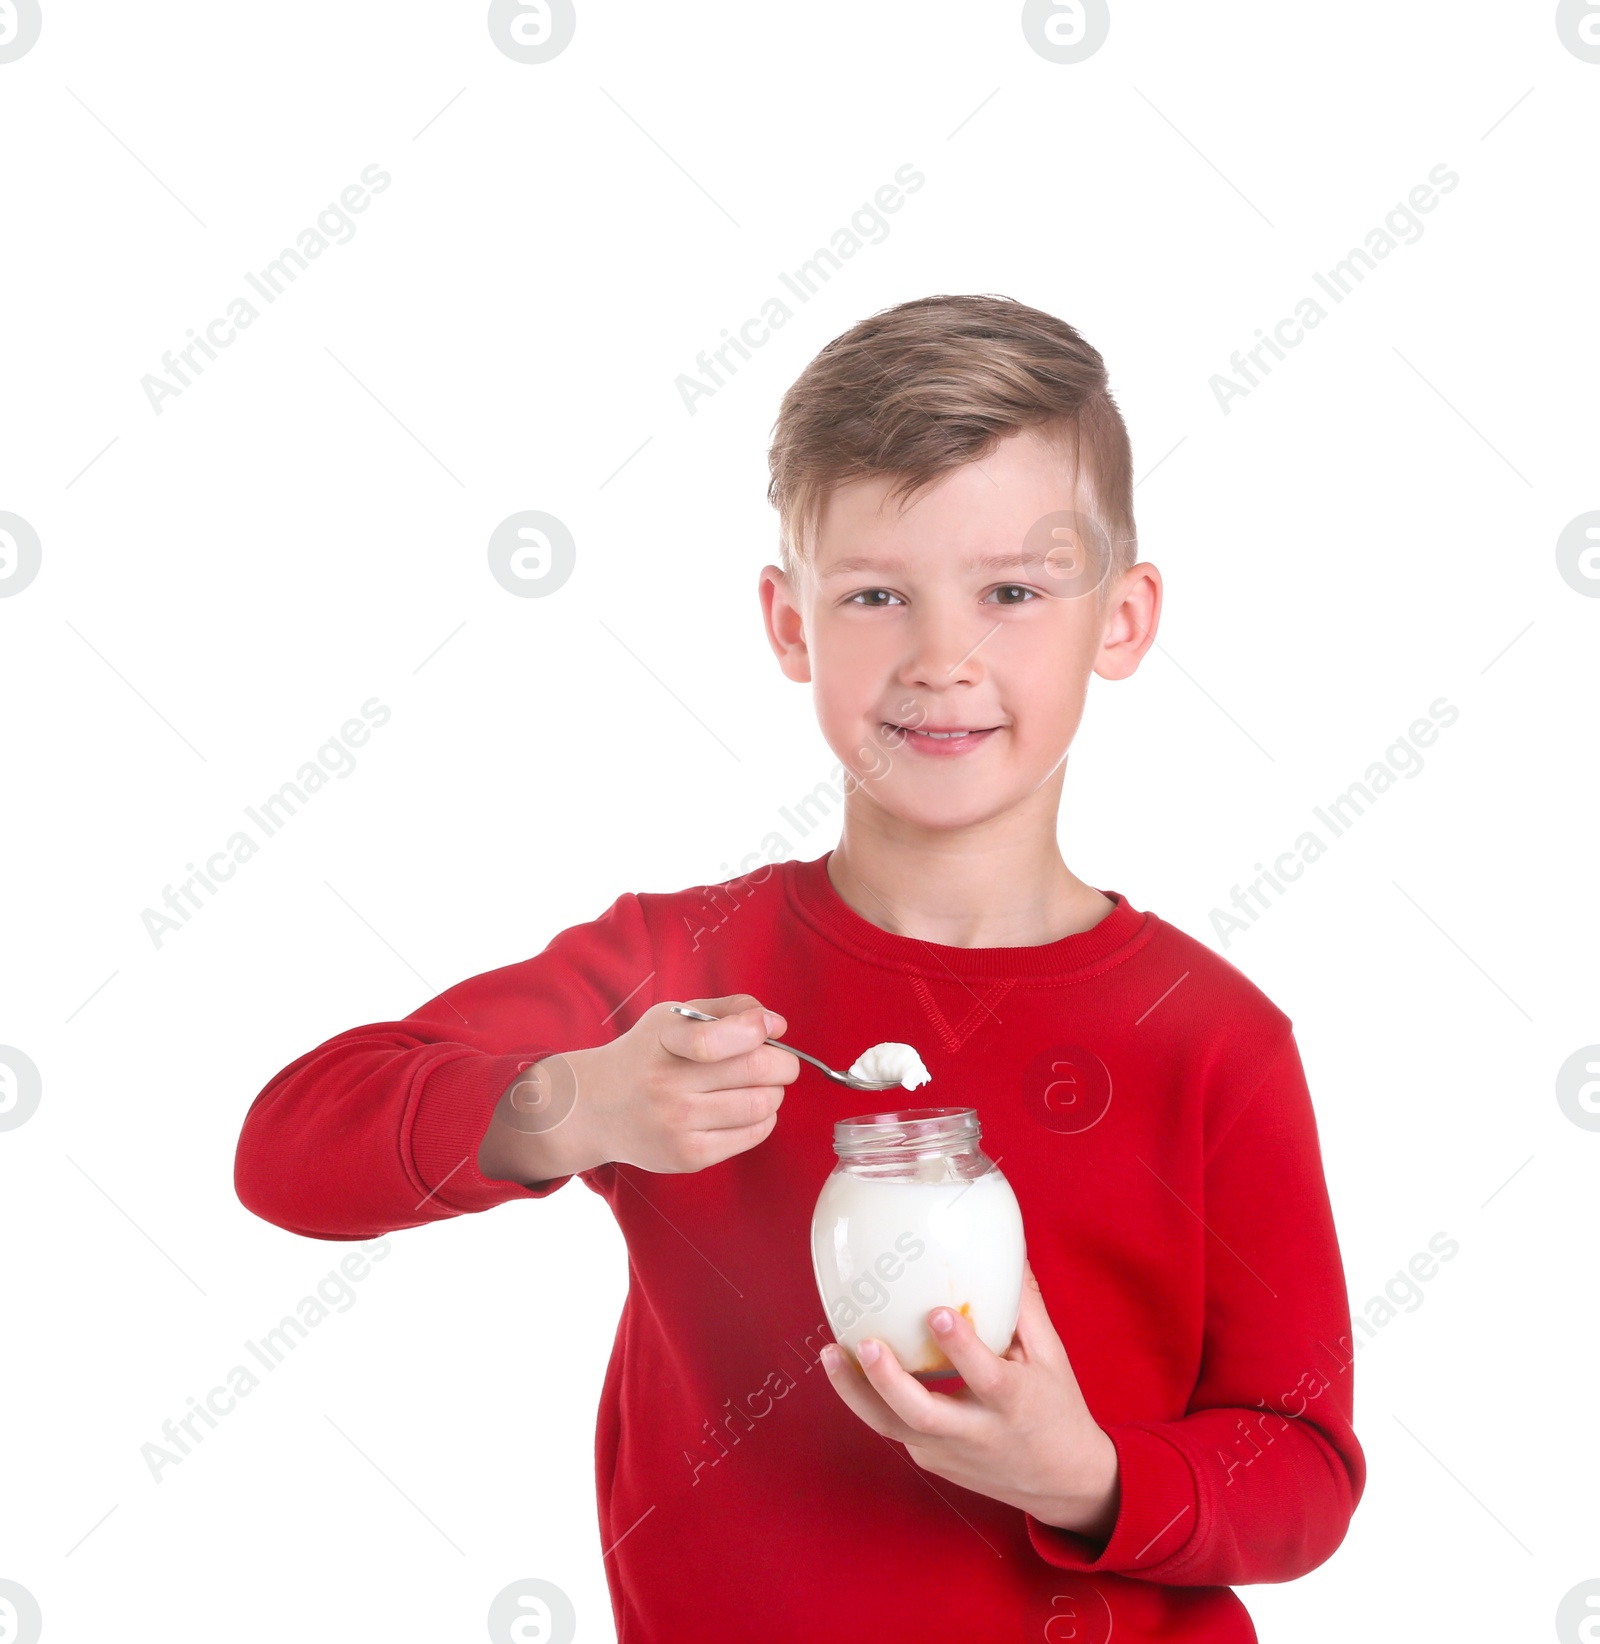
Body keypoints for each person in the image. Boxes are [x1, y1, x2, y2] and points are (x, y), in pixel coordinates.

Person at [235, 293, 1365, 1641]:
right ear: (790, 626)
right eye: (877, 596)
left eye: (1012, 593)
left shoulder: (1210, 1038)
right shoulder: (677, 971)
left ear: (1120, 620)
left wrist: (1086, 1478)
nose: (944, 658)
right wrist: (579, 1106)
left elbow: (1302, 1467)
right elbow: (290, 1148)